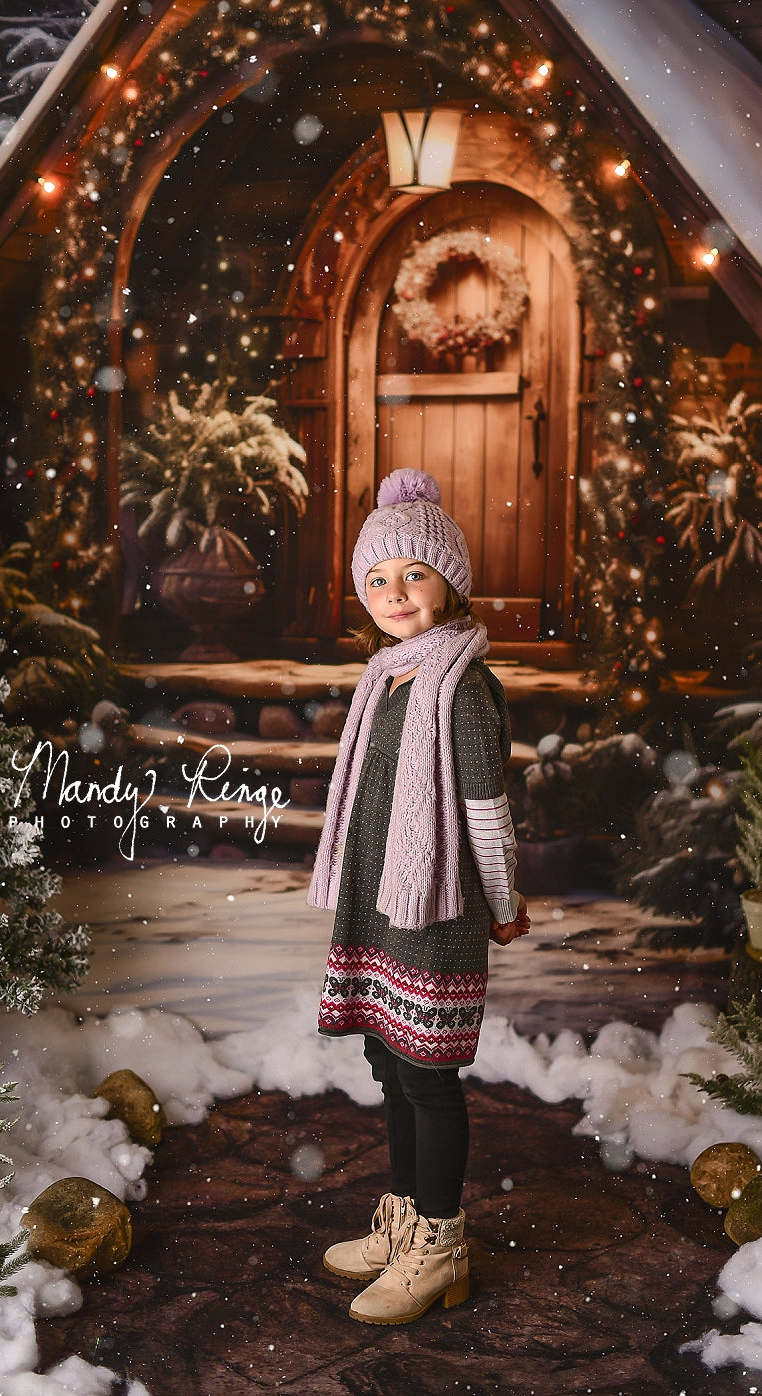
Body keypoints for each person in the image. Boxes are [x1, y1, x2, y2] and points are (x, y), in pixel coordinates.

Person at [308, 466, 530, 1326]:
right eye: (377, 580)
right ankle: (402, 1221)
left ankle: (440, 1246)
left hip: (434, 911)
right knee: (386, 1061)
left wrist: (504, 901)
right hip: (375, 907)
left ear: (450, 582)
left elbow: (485, 810)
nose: (394, 594)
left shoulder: (462, 687)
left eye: (413, 575)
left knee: (427, 1073)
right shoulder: (388, 676)